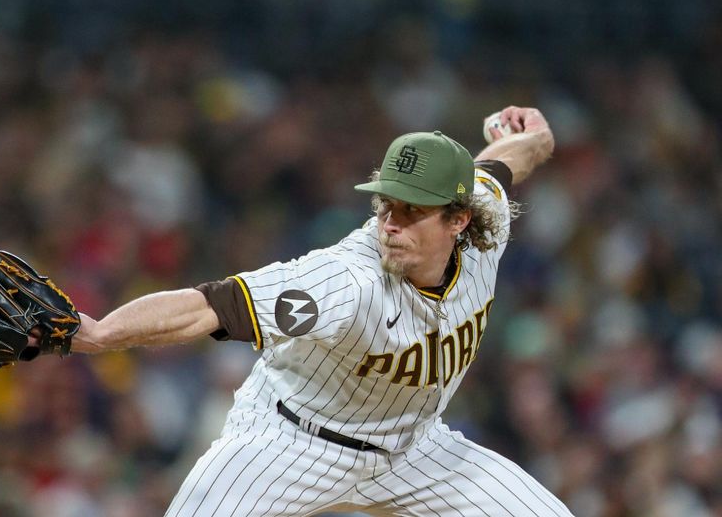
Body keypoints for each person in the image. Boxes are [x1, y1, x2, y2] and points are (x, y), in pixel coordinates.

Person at [72, 106, 573, 516]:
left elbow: (512, 157)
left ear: (460, 219)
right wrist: (98, 332)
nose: (391, 224)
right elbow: (208, 306)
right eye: (386, 206)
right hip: (293, 441)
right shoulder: (346, 281)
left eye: (413, 210)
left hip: (415, 449)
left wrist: (535, 133)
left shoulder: (486, 217)